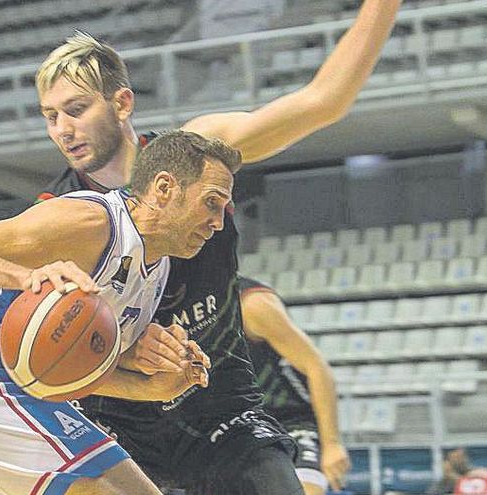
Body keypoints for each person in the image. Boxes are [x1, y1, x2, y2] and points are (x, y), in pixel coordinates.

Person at [34, 1, 401, 493]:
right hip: (121, 426)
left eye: (76, 110)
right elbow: (42, 357)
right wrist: (122, 351)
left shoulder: (198, 151)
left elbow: (325, 100)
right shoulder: (56, 212)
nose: (62, 129)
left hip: (221, 410)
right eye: (50, 115)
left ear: (122, 103)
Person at [0, 131, 231, 495]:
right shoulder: (94, 221)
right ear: (164, 188)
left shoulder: (157, 270)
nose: (218, 222)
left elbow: (65, 373)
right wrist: (25, 276)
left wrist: (150, 387)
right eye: (211, 203)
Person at [239, 276, 350, 494]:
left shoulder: (252, 304)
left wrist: (332, 444)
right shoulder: (169, 309)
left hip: (291, 420)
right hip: (238, 426)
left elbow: (317, 367)